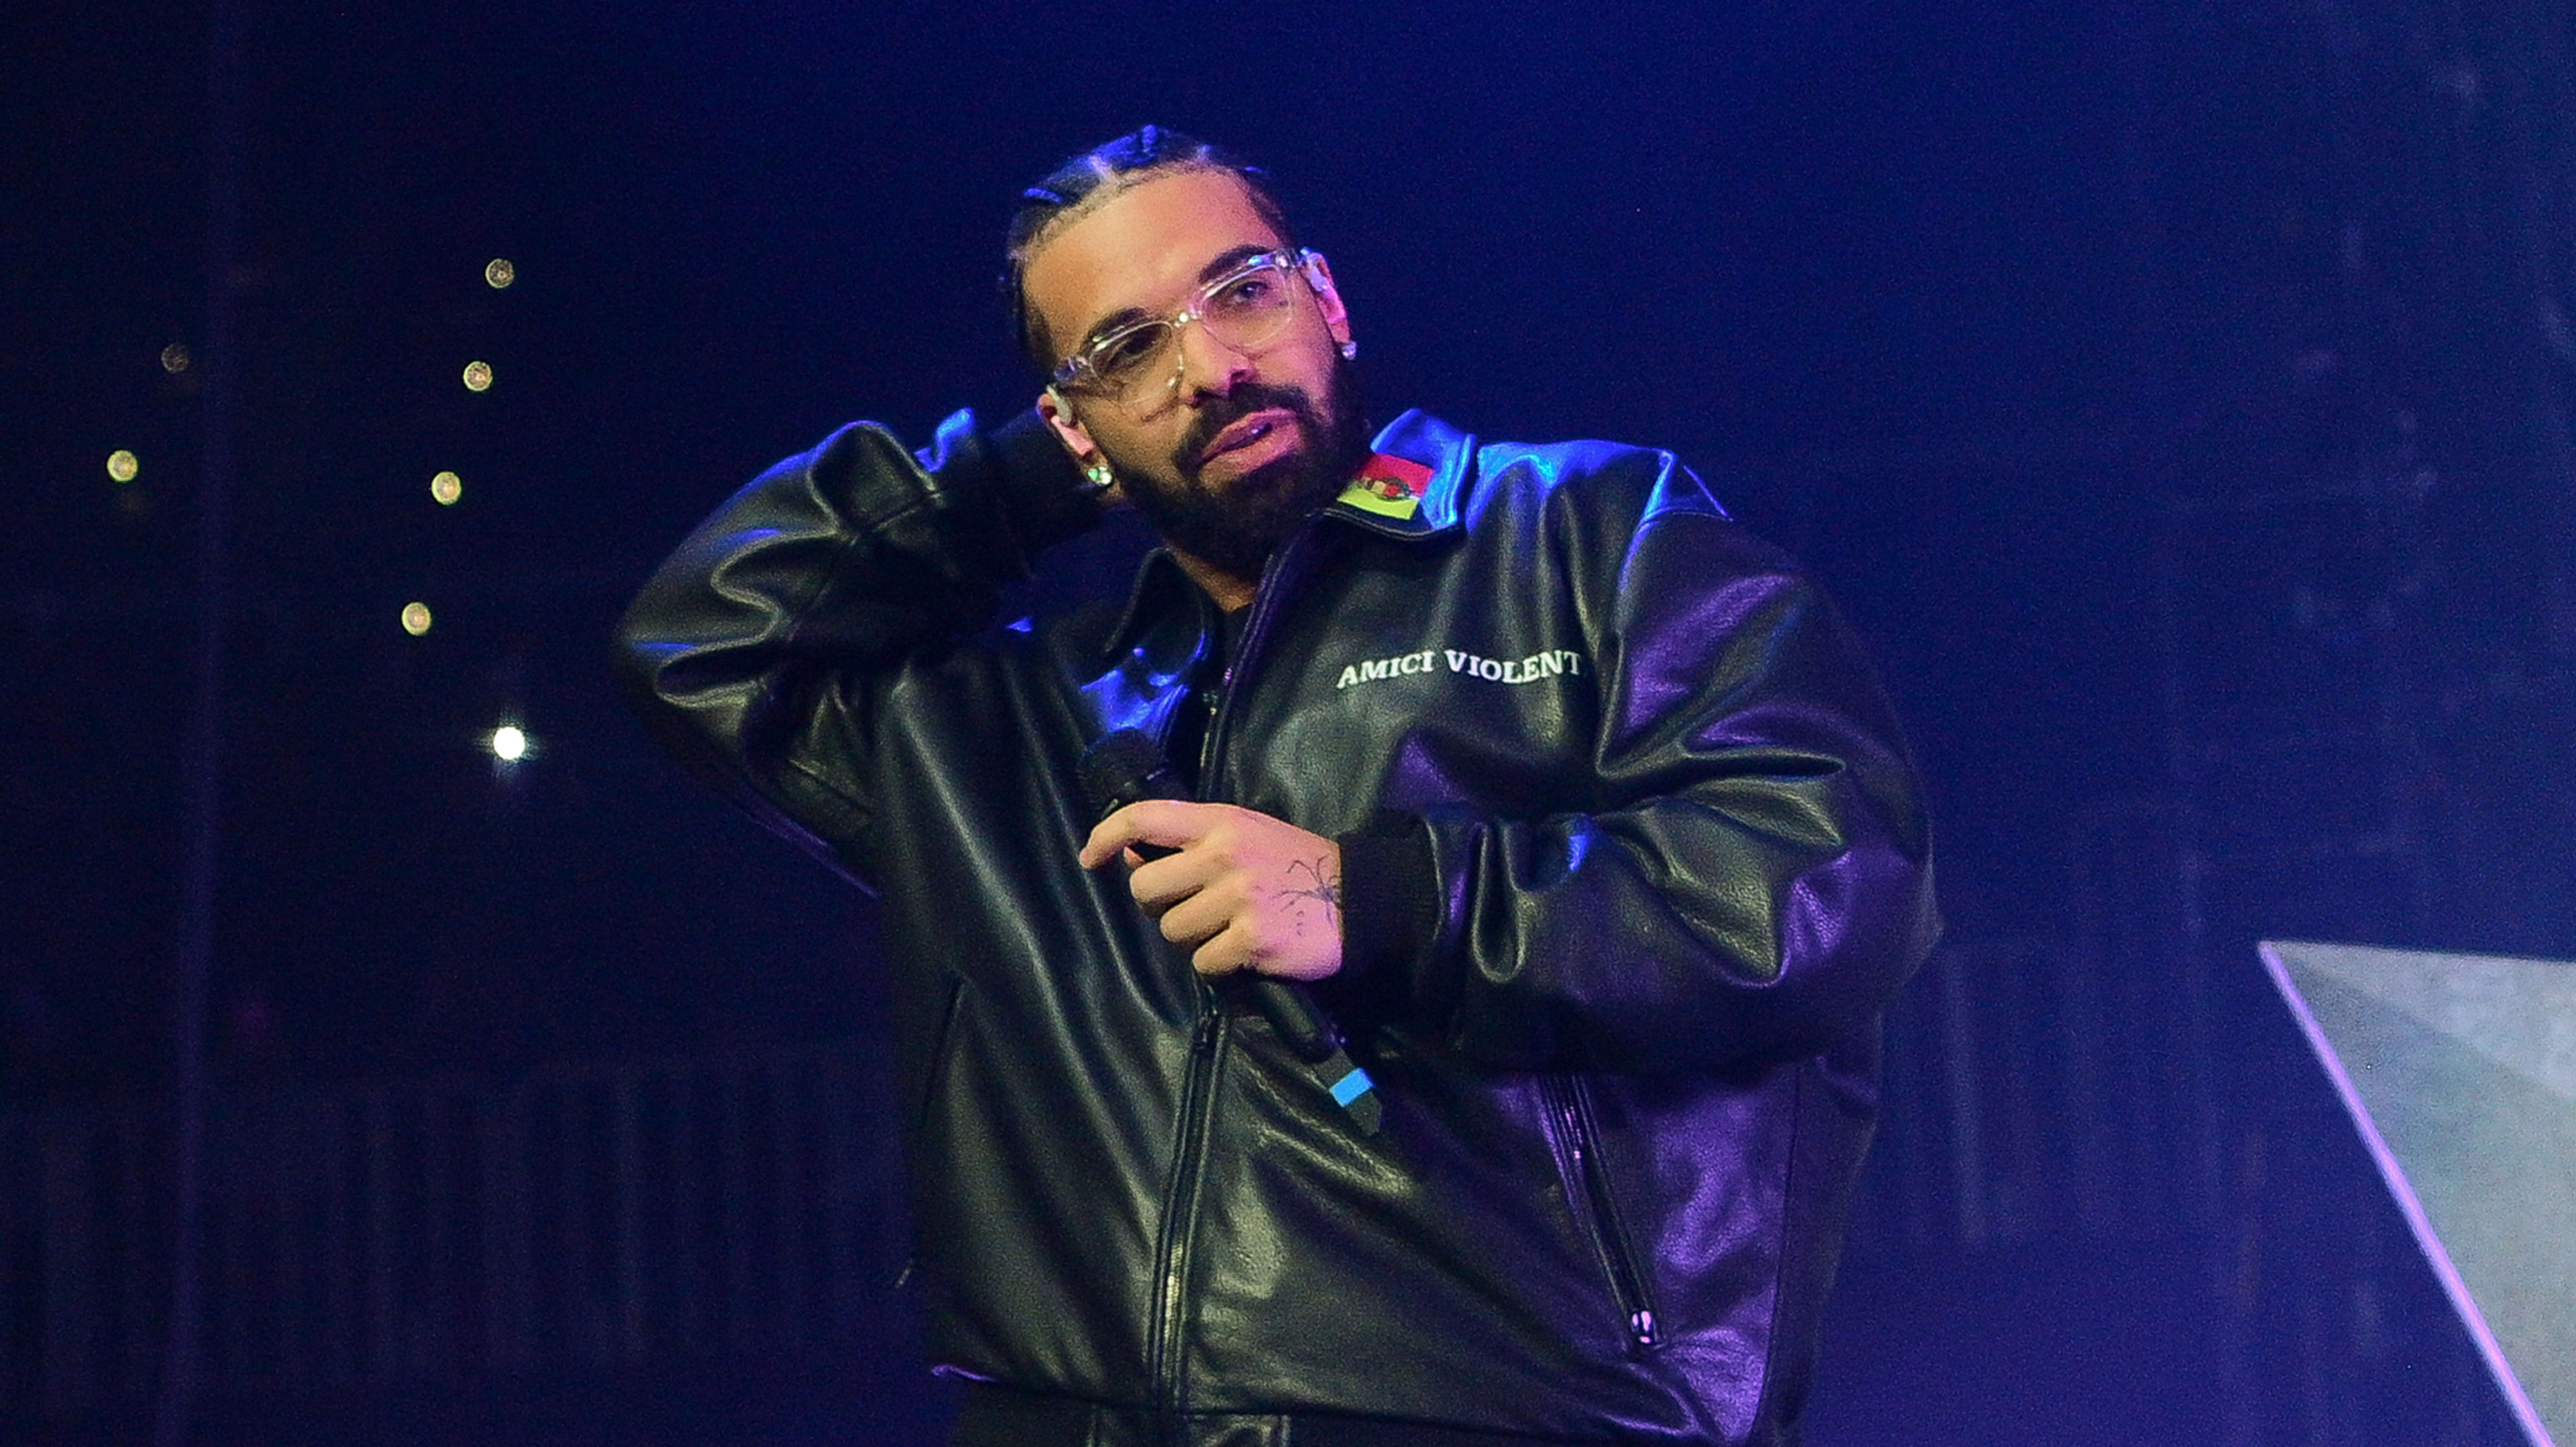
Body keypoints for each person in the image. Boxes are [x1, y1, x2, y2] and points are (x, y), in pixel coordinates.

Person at [616, 126, 1940, 1447]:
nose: (1211, 366)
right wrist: (1007, 480)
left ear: (1328, 299)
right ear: (1075, 426)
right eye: (1129, 346)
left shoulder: (1587, 532)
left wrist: (1385, 897)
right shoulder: (1016, 725)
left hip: (1519, 1404)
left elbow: (1829, 875)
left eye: (1241, 289)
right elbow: (705, 643)